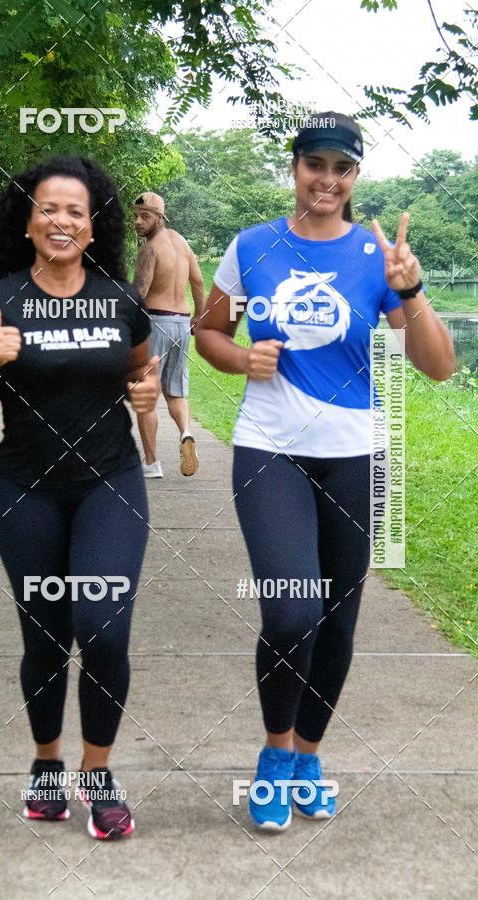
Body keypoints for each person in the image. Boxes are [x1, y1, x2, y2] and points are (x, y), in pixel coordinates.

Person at [195, 112, 455, 831]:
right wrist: (240, 357)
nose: (327, 181)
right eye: (316, 165)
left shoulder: (377, 258)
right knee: (291, 610)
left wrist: (411, 291)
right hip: (270, 446)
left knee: (338, 619)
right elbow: (208, 330)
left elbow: (438, 367)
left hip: (354, 452)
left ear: (356, 177)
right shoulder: (252, 247)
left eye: (342, 169)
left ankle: (308, 754)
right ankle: (275, 752)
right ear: (296, 167)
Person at [0, 155, 159, 840]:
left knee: (103, 631)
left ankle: (98, 772)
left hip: (110, 484)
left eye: (76, 210)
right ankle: (47, 766)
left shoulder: (119, 300)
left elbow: (141, 378)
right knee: (44, 637)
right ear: (27, 220)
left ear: (93, 222)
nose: (62, 221)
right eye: (49, 208)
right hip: (27, 491)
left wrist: (148, 399)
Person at [133, 191, 205, 478]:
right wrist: (199, 316)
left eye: (145, 216)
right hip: (180, 323)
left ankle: (151, 464)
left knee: (145, 393)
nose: (138, 222)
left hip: (155, 323)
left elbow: (140, 292)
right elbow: (198, 283)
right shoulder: (181, 243)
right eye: (135, 216)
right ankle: (186, 433)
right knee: (176, 391)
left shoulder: (150, 249)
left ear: (160, 218)